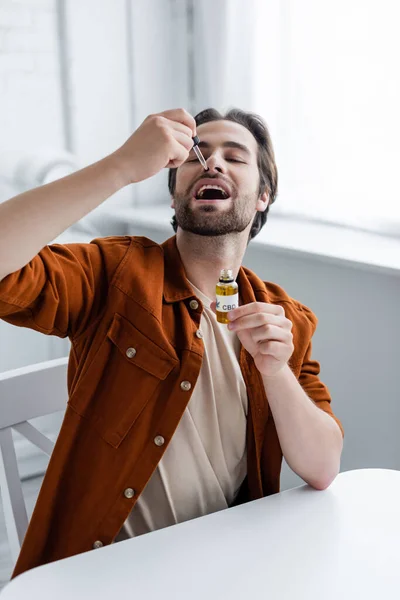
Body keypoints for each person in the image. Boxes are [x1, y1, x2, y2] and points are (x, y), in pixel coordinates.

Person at [0, 108, 344, 578]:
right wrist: (120, 165)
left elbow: (323, 467)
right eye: (197, 156)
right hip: (100, 573)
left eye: (235, 156)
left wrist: (275, 370)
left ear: (263, 196)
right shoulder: (117, 274)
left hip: (230, 570)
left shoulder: (287, 322)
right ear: (175, 193)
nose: (212, 163)